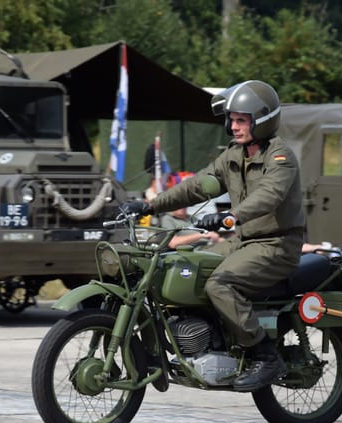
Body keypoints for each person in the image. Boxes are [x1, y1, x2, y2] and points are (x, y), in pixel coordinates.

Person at [121, 80, 305, 392]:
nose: (233, 126)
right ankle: (208, 343)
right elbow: (196, 186)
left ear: (262, 120)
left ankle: (265, 354)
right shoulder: (232, 155)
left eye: (241, 120)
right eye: (231, 119)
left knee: (220, 284)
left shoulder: (280, 158)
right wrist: (150, 205)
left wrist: (232, 216)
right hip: (242, 242)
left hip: (277, 244)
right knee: (184, 268)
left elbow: (269, 196)